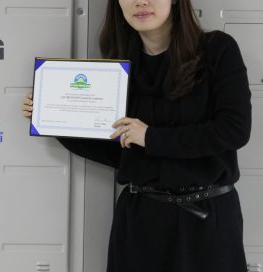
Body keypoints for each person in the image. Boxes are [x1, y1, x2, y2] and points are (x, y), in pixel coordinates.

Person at [22, 0, 252, 271]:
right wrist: (50, 118)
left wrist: (152, 138)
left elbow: (234, 129)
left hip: (208, 221)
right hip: (142, 220)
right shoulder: (117, 68)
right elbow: (116, 148)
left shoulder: (218, 49)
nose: (140, 2)